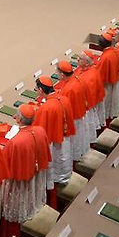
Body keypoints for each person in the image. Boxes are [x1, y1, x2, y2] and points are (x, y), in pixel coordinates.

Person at [2, 104, 50, 237]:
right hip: (35, 176)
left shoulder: (15, 142)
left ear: (18, 119)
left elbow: (5, 165)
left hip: (22, 182)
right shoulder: (40, 130)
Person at [33, 75, 75, 209]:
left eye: (36, 89)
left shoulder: (45, 108)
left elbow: (38, 132)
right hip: (64, 139)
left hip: (53, 144)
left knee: (52, 170)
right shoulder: (63, 98)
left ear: (41, 90)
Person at [55, 60, 91, 161]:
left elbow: (63, 108)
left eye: (57, 73)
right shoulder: (78, 79)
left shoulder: (68, 89)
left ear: (62, 75)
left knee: (73, 143)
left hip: (73, 120)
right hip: (81, 113)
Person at [74, 49, 106, 140]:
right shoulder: (86, 69)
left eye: (80, 59)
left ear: (87, 63)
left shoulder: (89, 77)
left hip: (88, 107)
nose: (77, 59)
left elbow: (88, 95)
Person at [97, 30, 119, 122]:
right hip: (116, 79)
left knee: (106, 103)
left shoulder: (105, 57)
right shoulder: (115, 50)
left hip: (107, 84)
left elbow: (100, 76)